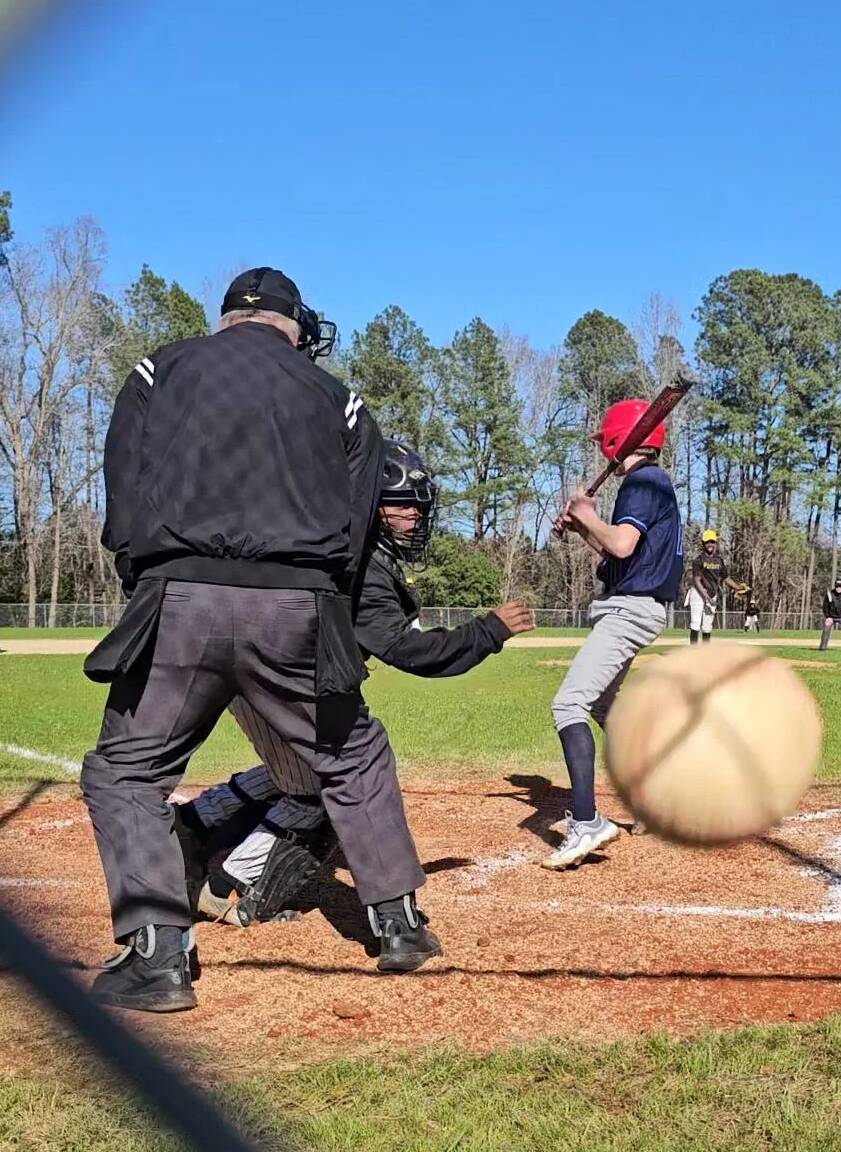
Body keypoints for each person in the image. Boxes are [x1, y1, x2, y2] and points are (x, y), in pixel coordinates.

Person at [80, 269, 435, 1013]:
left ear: (228, 319)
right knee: (352, 752)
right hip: (296, 605)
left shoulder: (159, 367)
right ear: (289, 323)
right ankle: (399, 926)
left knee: (126, 769)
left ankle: (157, 955)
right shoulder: (337, 396)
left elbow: (123, 490)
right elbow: (356, 519)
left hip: (179, 595)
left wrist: (144, 578)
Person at [180, 439, 534, 925]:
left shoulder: (335, 544)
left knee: (302, 770)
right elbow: (408, 651)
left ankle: (199, 821)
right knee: (320, 788)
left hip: (264, 680)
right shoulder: (360, 564)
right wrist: (489, 630)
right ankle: (222, 882)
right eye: (405, 506)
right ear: (373, 507)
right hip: (280, 685)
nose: (416, 519)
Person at [545, 399, 683, 870]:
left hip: (630, 611)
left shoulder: (643, 481)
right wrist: (585, 526)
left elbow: (621, 542)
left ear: (616, 438)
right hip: (634, 604)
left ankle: (586, 823)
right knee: (603, 705)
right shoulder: (651, 484)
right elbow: (615, 561)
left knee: (569, 705)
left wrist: (586, 514)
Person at [684, 531, 724, 643]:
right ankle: (693, 652)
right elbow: (697, 580)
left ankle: (705, 653)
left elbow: (725, 577)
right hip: (698, 593)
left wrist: (737, 587)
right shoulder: (698, 560)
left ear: (715, 543)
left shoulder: (719, 560)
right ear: (703, 543)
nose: (710, 544)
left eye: (712, 541)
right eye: (707, 542)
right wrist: (707, 597)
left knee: (707, 625)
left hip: (711, 594)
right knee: (696, 623)